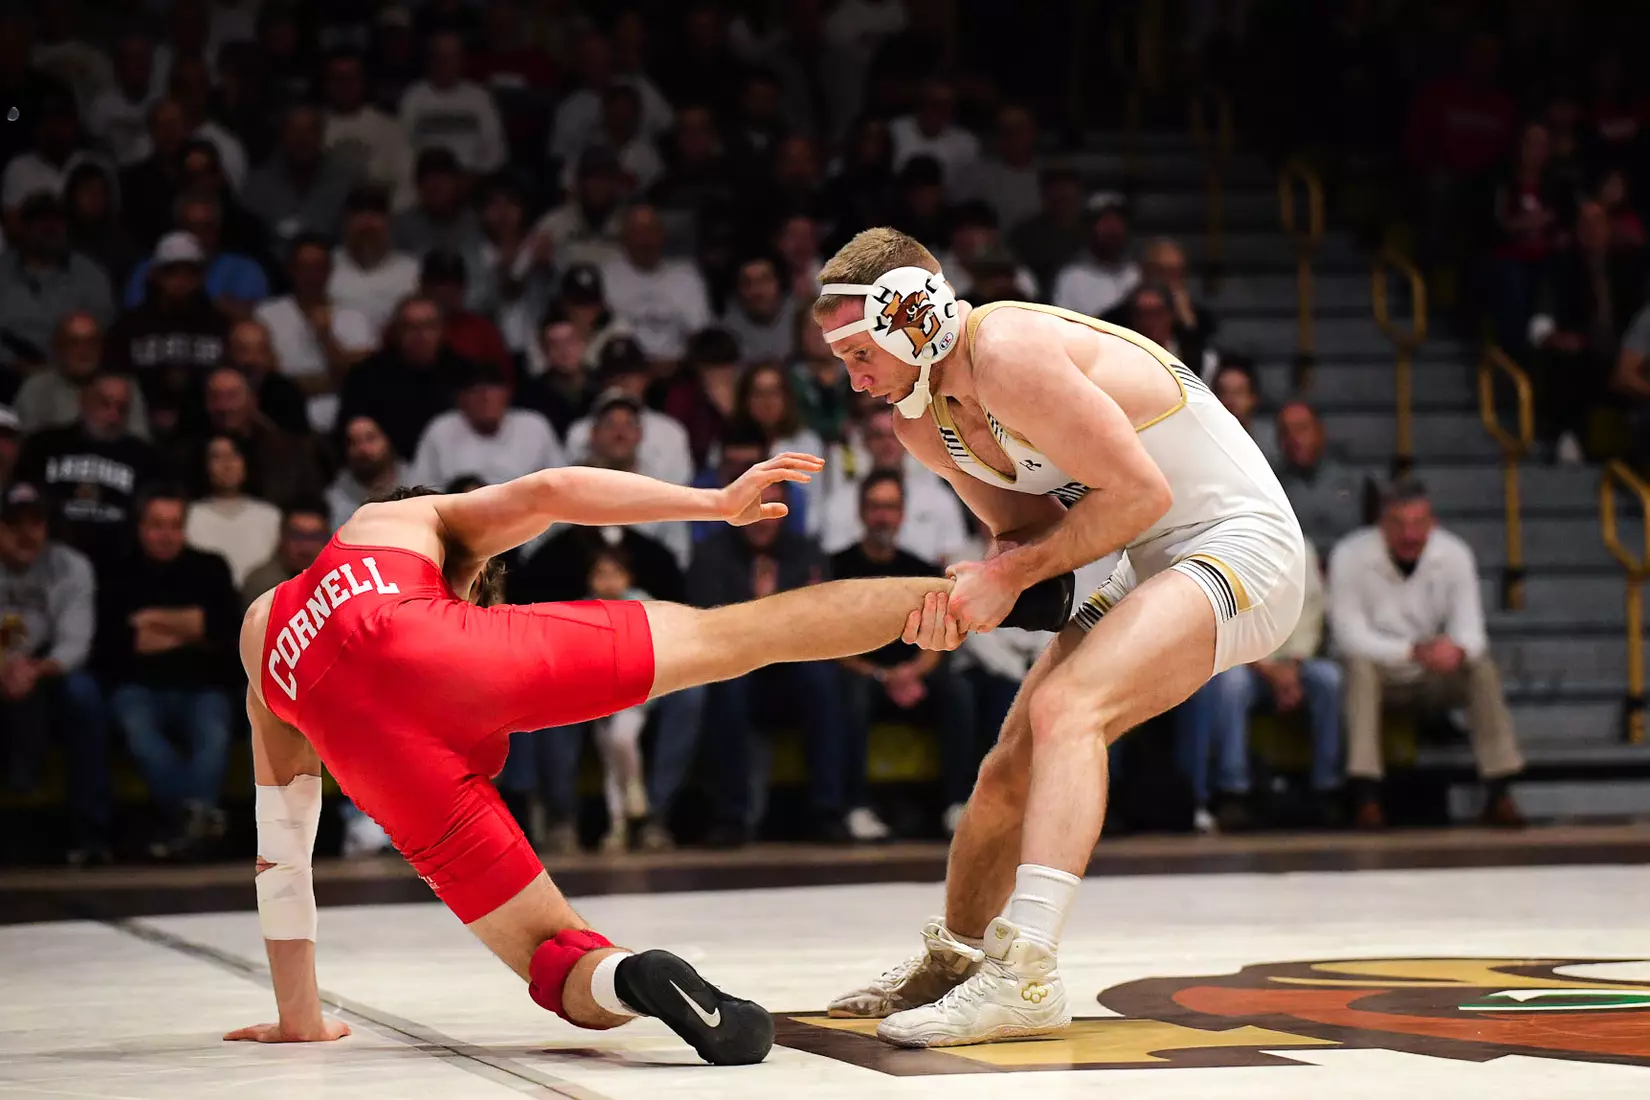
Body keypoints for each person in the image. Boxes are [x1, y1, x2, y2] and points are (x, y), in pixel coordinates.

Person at [232, 451, 1064, 1059]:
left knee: (553, 958)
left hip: (389, 763)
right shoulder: (407, 521)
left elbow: (282, 858)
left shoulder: (263, 629)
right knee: (736, 635)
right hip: (447, 654)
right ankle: (1016, 595)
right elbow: (554, 490)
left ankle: (629, 978)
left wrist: (299, 1018)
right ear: (468, 566)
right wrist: (712, 502)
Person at [814, 227, 1304, 1047]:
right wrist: (973, 595)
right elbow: (1038, 541)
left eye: (861, 352)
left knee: (1070, 709)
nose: (853, 377)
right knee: (1008, 769)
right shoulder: (923, 424)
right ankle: (959, 962)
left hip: (1236, 541)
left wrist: (1004, 578)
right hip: (1149, 554)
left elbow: (1141, 495)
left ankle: (1027, 973)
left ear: (913, 322)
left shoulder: (1007, 349)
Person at [1328, 479, 1525, 830]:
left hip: (1433, 670)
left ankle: (1500, 790)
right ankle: (1366, 796)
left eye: (1418, 524)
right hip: (1383, 669)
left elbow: (1472, 630)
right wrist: (1411, 651)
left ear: (1432, 523)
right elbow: (1349, 637)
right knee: (1358, 668)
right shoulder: (1349, 555)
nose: (1410, 535)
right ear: (1382, 525)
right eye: (1399, 525)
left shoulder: (1454, 554)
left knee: (1480, 667)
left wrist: (1456, 649)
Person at [830, 470, 971, 841]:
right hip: (862, 676)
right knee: (847, 695)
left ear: (903, 513)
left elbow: (942, 638)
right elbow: (827, 642)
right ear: (861, 511)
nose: (883, 516)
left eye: (890, 507)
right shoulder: (838, 569)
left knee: (958, 692)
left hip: (913, 674)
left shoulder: (920, 569)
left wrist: (912, 672)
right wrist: (881, 676)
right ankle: (856, 807)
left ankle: (957, 805)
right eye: (875, 506)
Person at [103, 487, 240, 860]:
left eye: (174, 526)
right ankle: (197, 821)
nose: (166, 534)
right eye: (156, 525)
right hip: (138, 686)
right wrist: (190, 628)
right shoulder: (119, 570)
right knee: (139, 733)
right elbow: (117, 642)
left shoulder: (210, 567)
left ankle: (183, 828)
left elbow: (222, 629)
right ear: (141, 528)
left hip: (202, 686)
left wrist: (150, 620)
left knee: (214, 733)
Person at [0, 482, 109, 865]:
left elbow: (75, 643)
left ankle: (91, 835)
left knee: (84, 696)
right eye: (14, 524)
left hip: (48, 669)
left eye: (36, 523)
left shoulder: (70, 565)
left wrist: (33, 670)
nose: (27, 534)